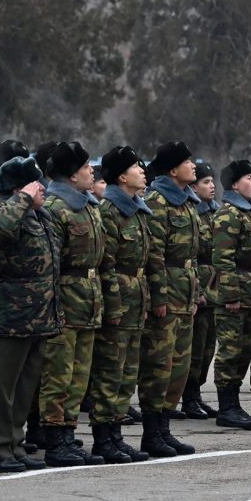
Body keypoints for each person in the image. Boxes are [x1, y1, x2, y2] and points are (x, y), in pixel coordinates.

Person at [0, 155, 57, 473]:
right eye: (37, 184)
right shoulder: (3, 211)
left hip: (38, 315)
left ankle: (16, 444)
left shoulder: (39, 217)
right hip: (11, 315)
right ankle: (0, 450)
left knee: (25, 388)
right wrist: (23, 198)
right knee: (3, 387)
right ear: (22, 187)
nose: (44, 190)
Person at [39, 142, 106, 466]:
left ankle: (68, 433)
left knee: (79, 375)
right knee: (58, 375)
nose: (91, 170)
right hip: (64, 300)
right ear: (71, 174)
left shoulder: (88, 205)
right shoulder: (54, 207)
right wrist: (54, 307)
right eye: (85, 167)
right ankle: (54, 440)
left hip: (88, 301)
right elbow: (48, 264)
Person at [140, 141, 202, 455]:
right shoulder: (158, 200)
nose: (194, 166)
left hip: (185, 290)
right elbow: (154, 255)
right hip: (166, 292)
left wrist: (196, 293)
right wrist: (158, 297)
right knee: (158, 364)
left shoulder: (187, 201)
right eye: (188, 162)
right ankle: (151, 432)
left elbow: (193, 255)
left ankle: (164, 427)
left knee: (179, 366)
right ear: (173, 169)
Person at [92, 147, 152, 462]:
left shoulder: (137, 209)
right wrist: (113, 308)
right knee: (110, 372)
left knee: (128, 373)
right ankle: (103, 439)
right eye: (136, 167)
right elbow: (106, 265)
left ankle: (116, 435)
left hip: (136, 299)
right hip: (118, 303)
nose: (143, 171)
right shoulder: (109, 211)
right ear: (121, 176)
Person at [211, 160, 251, 430]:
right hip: (234, 293)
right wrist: (231, 295)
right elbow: (223, 259)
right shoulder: (228, 214)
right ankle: (227, 405)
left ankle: (234, 403)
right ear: (234, 184)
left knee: (245, 349)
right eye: (248, 178)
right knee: (230, 350)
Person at [182, 161, 220, 420]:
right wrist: (197, 291)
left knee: (207, 347)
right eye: (205, 182)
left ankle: (196, 394)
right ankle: (188, 397)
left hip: (214, 284)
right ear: (194, 187)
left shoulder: (214, 212)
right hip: (200, 284)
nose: (211, 186)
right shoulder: (193, 212)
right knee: (194, 347)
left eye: (212, 181)